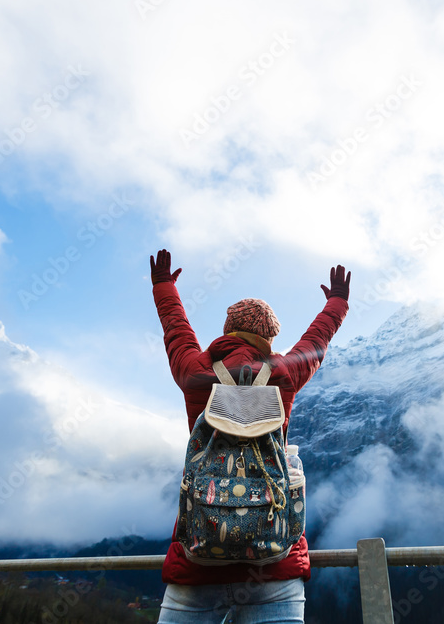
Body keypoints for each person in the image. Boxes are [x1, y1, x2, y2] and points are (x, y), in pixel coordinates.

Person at [150, 248, 350, 624]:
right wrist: (337, 303)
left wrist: (164, 287)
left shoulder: (194, 372)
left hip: (196, 566)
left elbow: (176, 329)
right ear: (270, 337)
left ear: (227, 330)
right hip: (273, 567)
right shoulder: (285, 374)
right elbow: (316, 341)